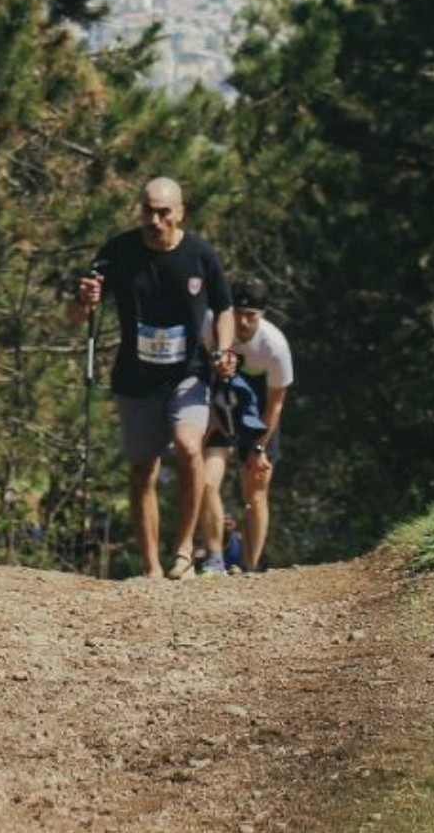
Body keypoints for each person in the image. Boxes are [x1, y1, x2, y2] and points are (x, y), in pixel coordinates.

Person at [71, 177, 234, 580]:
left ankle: (183, 552)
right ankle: (151, 568)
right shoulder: (119, 252)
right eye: (149, 211)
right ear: (139, 210)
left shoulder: (200, 255)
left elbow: (225, 307)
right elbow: (77, 315)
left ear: (180, 212)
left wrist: (224, 350)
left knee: (189, 448)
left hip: (189, 373)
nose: (156, 220)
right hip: (136, 376)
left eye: (165, 212)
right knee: (143, 468)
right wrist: (83, 300)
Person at [227, 275, 294, 571]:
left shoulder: (275, 345)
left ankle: (251, 564)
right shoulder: (215, 328)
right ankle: (209, 556)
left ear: (262, 315)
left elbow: (276, 402)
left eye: (250, 316)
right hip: (221, 395)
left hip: (260, 405)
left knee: (255, 483)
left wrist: (258, 446)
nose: (242, 323)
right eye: (237, 314)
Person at [198, 344, 267, 576]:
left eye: (230, 359)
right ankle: (215, 558)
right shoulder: (205, 369)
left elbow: (271, 405)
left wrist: (259, 447)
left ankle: (252, 564)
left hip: (253, 429)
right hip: (218, 430)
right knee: (207, 484)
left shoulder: (260, 365)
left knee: (254, 493)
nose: (224, 363)